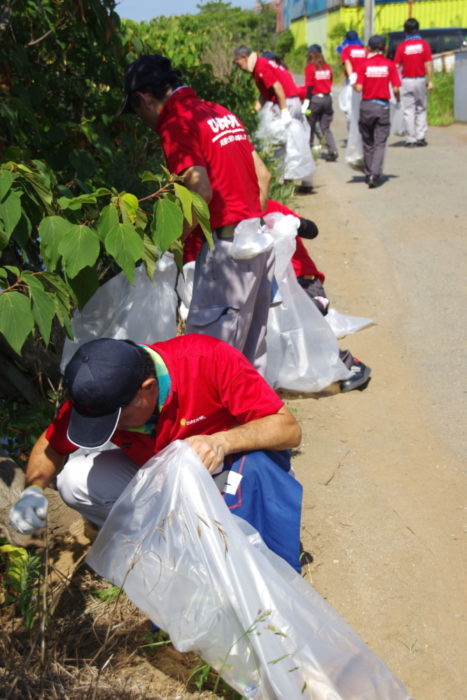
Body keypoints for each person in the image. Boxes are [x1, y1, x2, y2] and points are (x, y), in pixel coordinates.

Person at [8, 335, 304, 571]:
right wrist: (33, 489)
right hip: (165, 478)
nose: (109, 432)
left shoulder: (207, 359)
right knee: (74, 479)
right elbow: (51, 444)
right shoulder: (101, 399)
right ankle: (161, 552)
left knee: (246, 547)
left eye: (116, 422)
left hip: (231, 470)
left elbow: (289, 430)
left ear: (147, 389)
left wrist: (222, 442)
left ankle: (255, 546)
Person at [118, 54, 273, 376]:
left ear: (145, 98)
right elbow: (264, 176)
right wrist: (248, 227)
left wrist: (173, 245)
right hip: (257, 245)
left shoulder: (176, 122)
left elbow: (200, 190)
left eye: (136, 111)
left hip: (227, 254)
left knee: (210, 365)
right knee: (248, 361)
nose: (142, 120)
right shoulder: (217, 111)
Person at [263, 200, 372, 393]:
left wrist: (295, 224)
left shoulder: (269, 208)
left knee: (299, 322)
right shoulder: (227, 219)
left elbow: (312, 230)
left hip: (302, 282)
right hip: (268, 290)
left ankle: (349, 363)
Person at [233, 45, 314, 194]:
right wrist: (252, 112)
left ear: (244, 57)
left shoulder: (260, 66)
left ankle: (285, 182)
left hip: (286, 103)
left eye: (238, 63)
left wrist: (283, 111)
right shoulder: (260, 65)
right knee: (293, 142)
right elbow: (265, 93)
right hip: (289, 101)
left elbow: (277, 87)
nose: (239, 67)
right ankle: (298, 180)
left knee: (284, 144)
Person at [354, 35, 401, 188]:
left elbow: (359, 88)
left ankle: (368, 173)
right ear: (384, 48)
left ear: (369, 48)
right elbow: (395, 88)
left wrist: (354, 85)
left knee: (368, 142)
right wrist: (398, 100)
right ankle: (375, 174)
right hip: (382, 107)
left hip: (366, 106)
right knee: (380, 142)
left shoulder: (363, 65)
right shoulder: (389, 64)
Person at [394, 17, 433, 147]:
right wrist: (431, 81)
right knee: (421, 108)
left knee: (408, 110)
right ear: (418, 29)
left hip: (406, 81)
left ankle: (411, 139)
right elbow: (428, 63)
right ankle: (421, 137)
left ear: (405, 30)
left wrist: (394, 83)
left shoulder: (402, 47)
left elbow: (396, 66)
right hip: (420, 80)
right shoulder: (424, 45)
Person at [304, 44, 338, 162]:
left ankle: (308, 150)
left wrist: (307, 102)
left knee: (310, 126)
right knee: (325, 127)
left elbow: (309, 86)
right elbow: (330, 81)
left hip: (315, 100)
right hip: (327, 99)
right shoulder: (327, 67)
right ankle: (332, 150)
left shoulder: (310, 68)